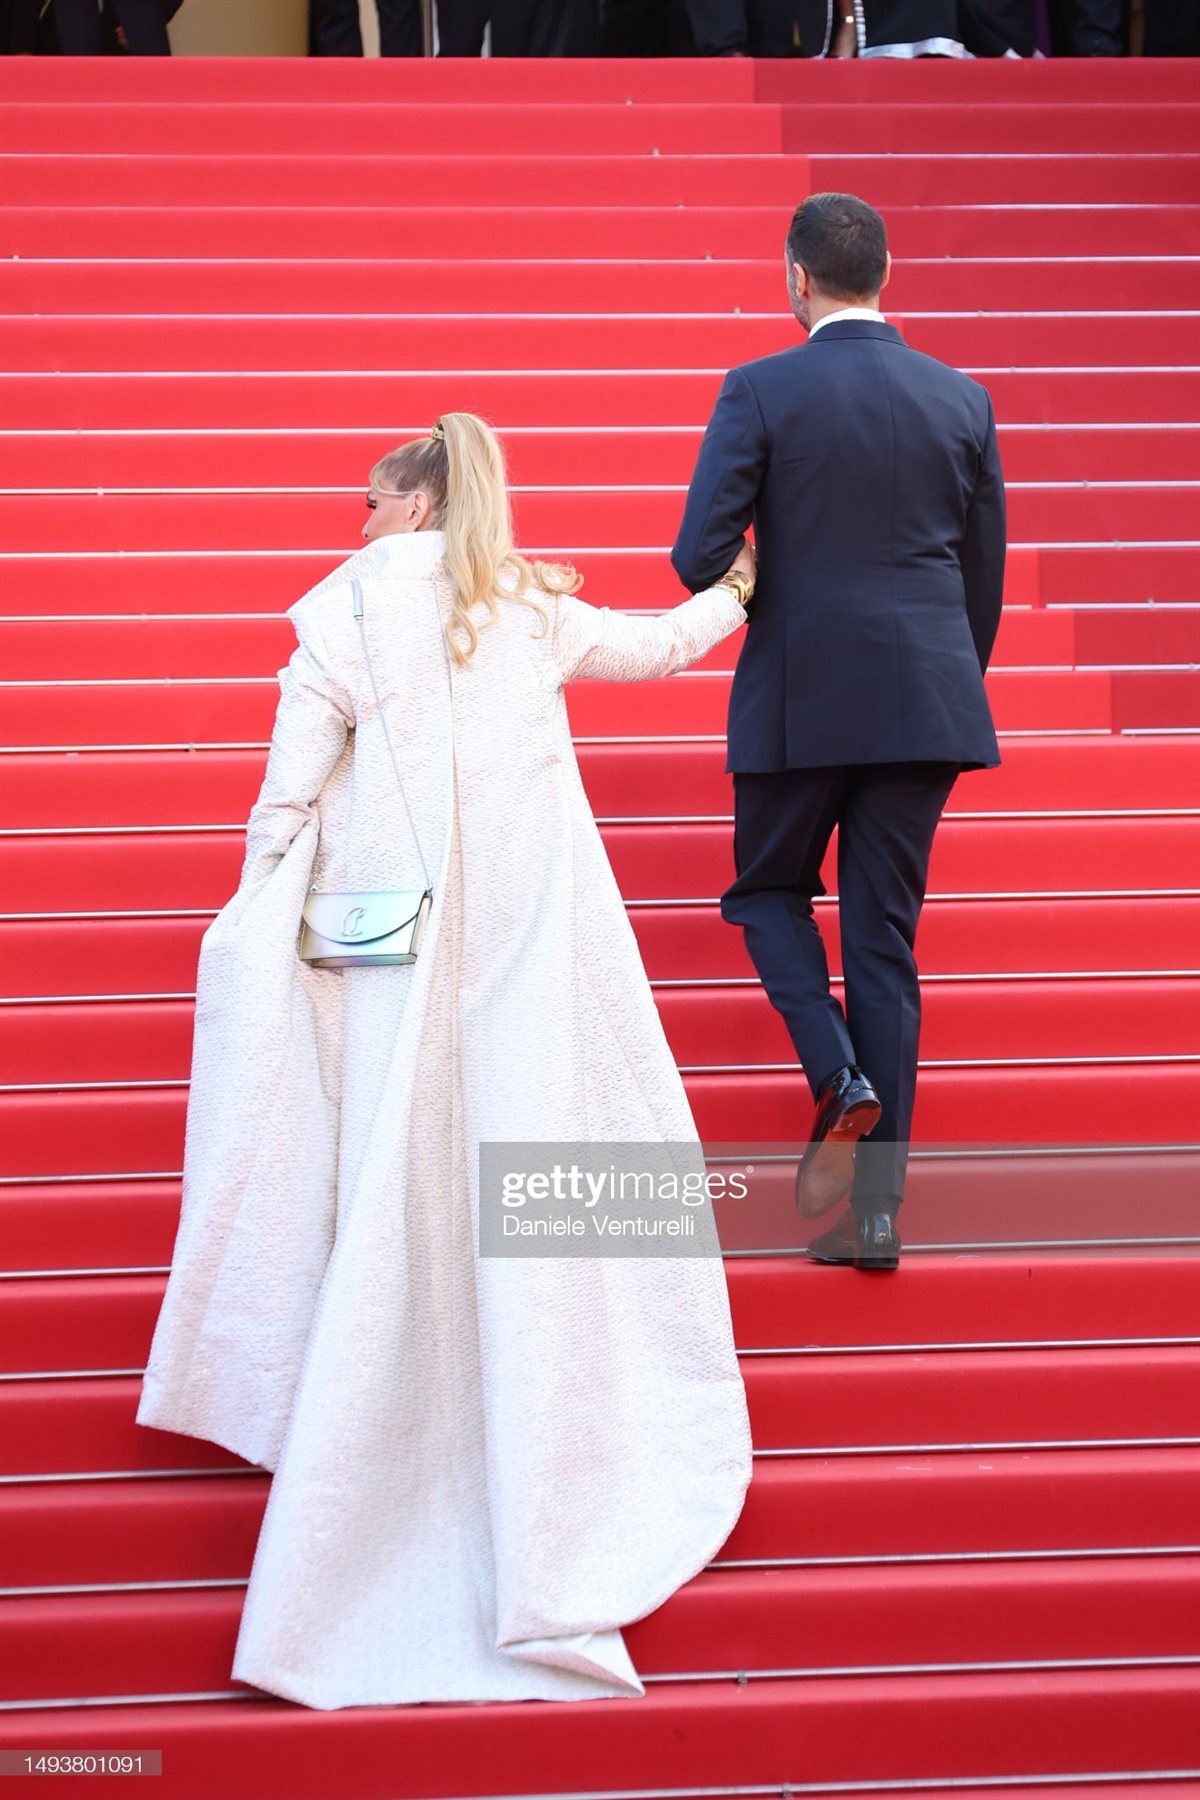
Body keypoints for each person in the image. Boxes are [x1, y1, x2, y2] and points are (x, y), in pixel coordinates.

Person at [135, 413, 756, 1708]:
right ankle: (548, 1445)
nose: (359, 518)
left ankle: (364, 1416)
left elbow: (288, 793)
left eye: (371, 499)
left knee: (385, 1166)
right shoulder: (525, 609)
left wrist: (254, 915)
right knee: (523, 1154)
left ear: (413, 505)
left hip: (381, 945)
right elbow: (656, 650)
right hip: (527, 951)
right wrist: (741, 589)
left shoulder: (342, 614)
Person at [672, 194, 1006, 1274]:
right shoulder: (962, 397)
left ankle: (837, 1076)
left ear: (796, 278)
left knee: (767, 893)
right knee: (883, 945)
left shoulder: (760, 388)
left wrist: (765, 575)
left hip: (801, 698)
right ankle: (877, 1217)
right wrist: (939, 685)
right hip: (928, 702)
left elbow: (697, 554)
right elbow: (983, 580)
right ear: (887, 275)